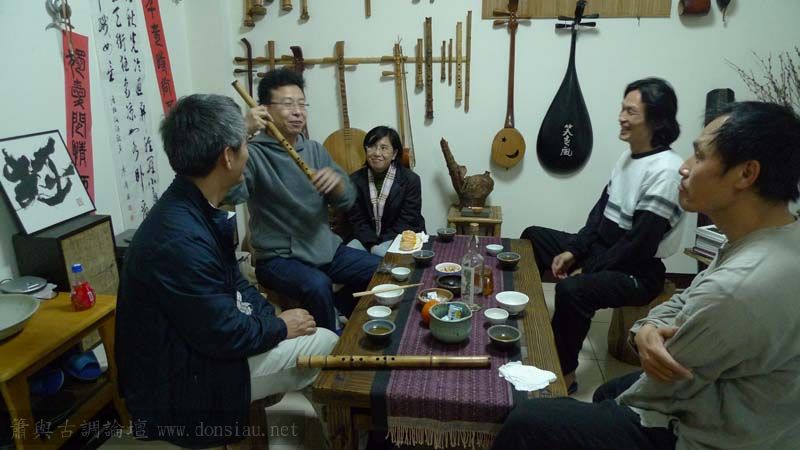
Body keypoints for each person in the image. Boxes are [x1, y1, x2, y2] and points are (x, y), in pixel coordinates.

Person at [492, 101, 800, 449]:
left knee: (530, 421)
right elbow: (686, 296)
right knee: (606, 390)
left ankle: (562, 372)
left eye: (700, 156)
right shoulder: (763, 239)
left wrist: (597, 279)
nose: (686, 166)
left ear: (746, 174)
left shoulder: (741, 285)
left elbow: (659, 384)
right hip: (706, 391)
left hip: (705, 433)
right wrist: (646, 326)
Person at [116, 94, 338, 449]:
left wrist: (271, 319)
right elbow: (224, 335)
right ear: (228, 157)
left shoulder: (193, 205)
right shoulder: (179, 238)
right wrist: (281, 327)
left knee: (294, 325)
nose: (248, 152)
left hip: (200, 348)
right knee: (326, 342)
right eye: (245, 143)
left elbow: (237, 284)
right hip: (180, 382)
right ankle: (339, 434)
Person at [521, 78, 686, 393]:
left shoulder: (665, 171)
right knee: (533, 238)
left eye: (631, 112)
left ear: (655, 120)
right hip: (604, 249)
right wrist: (574, 250)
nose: (621, 117)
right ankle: (528, 324)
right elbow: (599, 215)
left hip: (637, 270)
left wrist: (588, 269)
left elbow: (638, 246)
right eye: (622, 109)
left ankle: (564, 374)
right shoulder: (629, 157)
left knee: (573, 291)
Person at [230, 68, 381, 331]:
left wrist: (338, 186)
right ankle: (330, 343)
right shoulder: (252, 153)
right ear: (265, 110)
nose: (298, 112)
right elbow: (231, 193)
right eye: (288, 104)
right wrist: (241, 132)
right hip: (278, 258)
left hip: (324, 249)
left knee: (382, 270)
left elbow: (347, 201)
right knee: (317, 285)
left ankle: (341, 312)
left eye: (302, 104)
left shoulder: (313, 149)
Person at [348, 125, 426, 257]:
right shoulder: (354, 180)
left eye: (383, 148)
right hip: (366, 237)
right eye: (372, 146)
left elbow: (408, 220)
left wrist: (379, 245)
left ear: (394, 154)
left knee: (384, 257)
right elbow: (357, 220)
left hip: (400, 235)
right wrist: (372, 245)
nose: (377, 153)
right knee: (347, 256)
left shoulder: (411, 180)